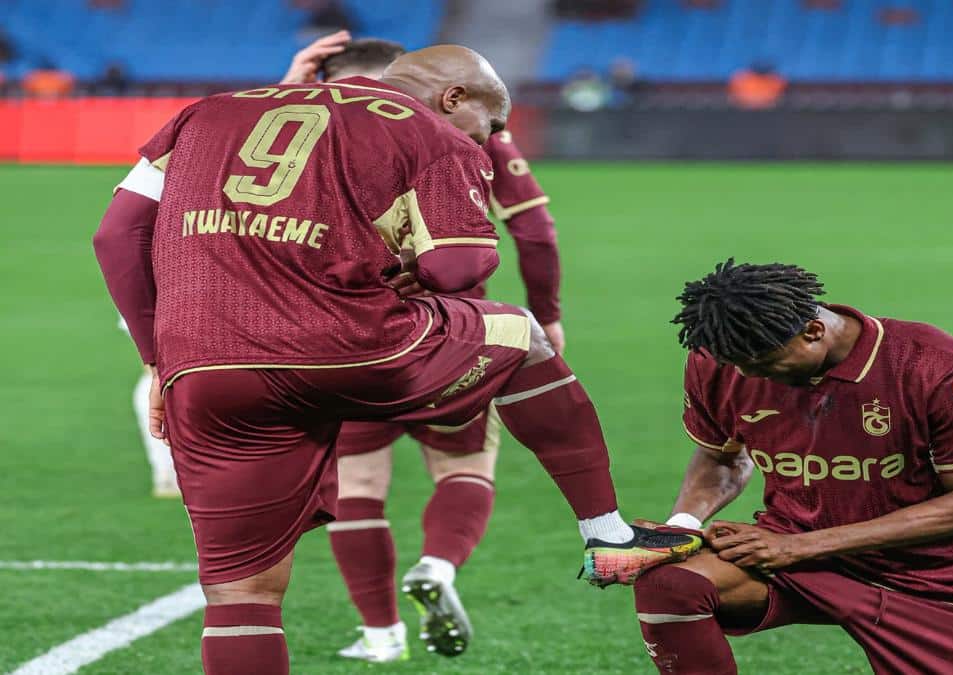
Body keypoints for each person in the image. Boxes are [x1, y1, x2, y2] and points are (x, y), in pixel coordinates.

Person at [93, 45, 699, 675]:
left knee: (240, 597)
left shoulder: (206, 112)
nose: (491, 141)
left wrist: (160, 361)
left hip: (208, 371)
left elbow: (115, 235)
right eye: (492, 126)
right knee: (525, 337)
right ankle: (606, 534)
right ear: (453, 98)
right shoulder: (430, 132)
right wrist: (411, 269)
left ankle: (375, 623)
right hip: (356, 348)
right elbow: (459, 267)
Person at [279, 33, 566, 662]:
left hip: (349, 337)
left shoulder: (314, 124)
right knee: (464, 469)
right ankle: (437, 567)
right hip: (450, 334)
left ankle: (382, 636)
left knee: (357, 482)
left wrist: (291, 85)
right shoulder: (457, 125)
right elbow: (536, 230)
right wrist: (547, 314)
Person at [632, 259, 953, 674]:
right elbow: (722, 456)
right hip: (799, 557)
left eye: (765, 363)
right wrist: (681, 525)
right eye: (737, 364)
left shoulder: (937, 367)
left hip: (934, 575)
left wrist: (797, 547)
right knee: (671, 587)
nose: (749, 376)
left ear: (813, 331)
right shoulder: (725, 358)